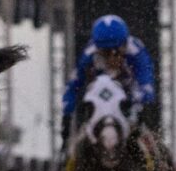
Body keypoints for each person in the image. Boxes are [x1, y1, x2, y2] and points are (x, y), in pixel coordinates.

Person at [61, 14, 156, 151]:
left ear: (124, 45)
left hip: (129, 107)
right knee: (73, 151)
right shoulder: (89, 54)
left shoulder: (136, 51)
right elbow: (73, 86)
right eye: (106, 53)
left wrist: (139, 103)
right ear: (98, 49)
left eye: (117, 51)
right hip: (98, 112)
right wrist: (67, 116)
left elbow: (146, 84)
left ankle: (163, 168)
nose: (112, 57)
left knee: (153, 147)